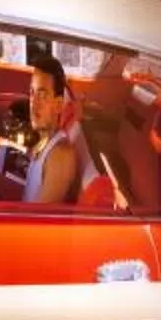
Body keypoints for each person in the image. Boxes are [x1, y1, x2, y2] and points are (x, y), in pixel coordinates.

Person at [23, 48, 102, 206]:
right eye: (32, 93)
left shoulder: (61, 156)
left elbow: (40, 223)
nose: (34, 103)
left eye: (43, 95)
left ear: (59, 105)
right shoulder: (44, 141)